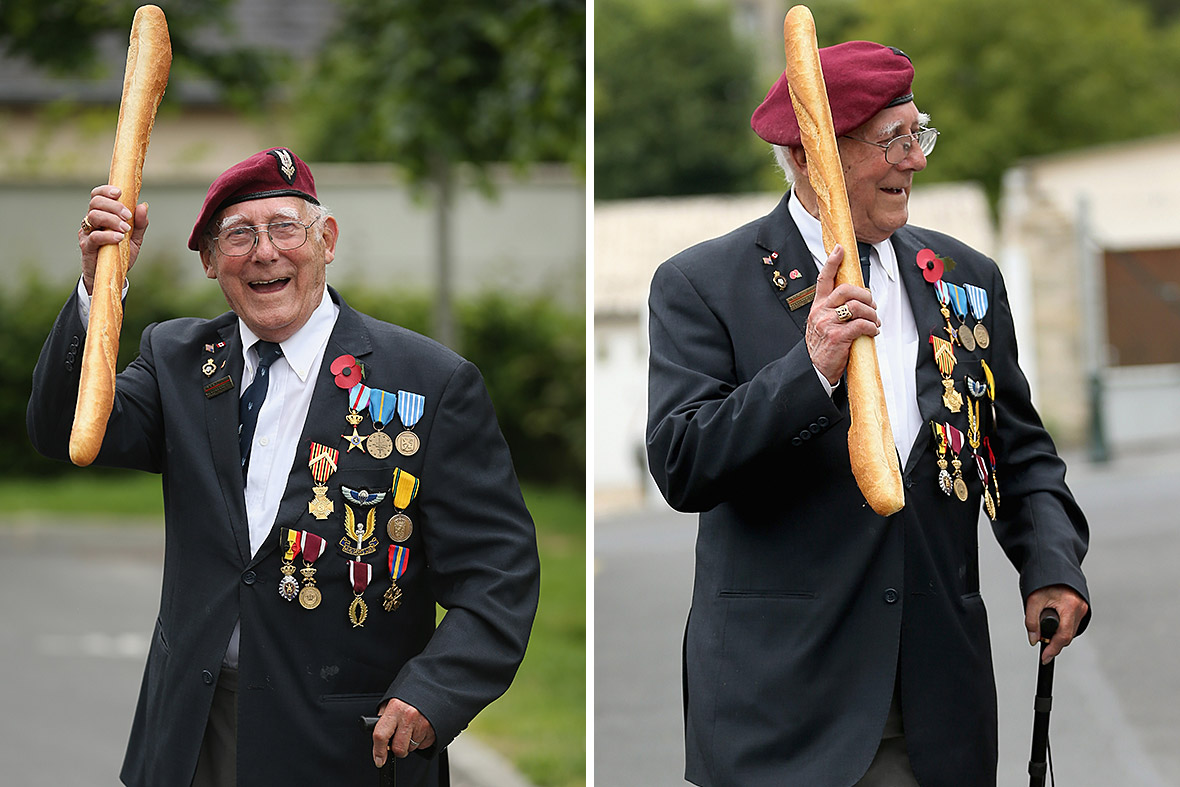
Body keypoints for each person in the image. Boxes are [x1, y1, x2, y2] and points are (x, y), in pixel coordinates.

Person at [645, 42, 1090, 786]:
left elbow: (1017, 453)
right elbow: (684, 462)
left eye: (921, 133)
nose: (915, 159)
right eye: (894, 140)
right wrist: (809, 366)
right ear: (815, 154)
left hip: (937, 708)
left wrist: (1051, 562)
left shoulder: (962, 278)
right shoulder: (702, 283)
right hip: (781, 711)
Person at [28, 147, 540, 787]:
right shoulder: (178, 360)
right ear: (212, 263)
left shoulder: (431, 384)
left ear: (326, 240)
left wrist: (434, 694)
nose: (264, 251)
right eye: (239, 236)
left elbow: (498, 571)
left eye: (285, 228)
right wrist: (99, 282)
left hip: (345, 743)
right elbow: (63, 430)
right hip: (191, 732)